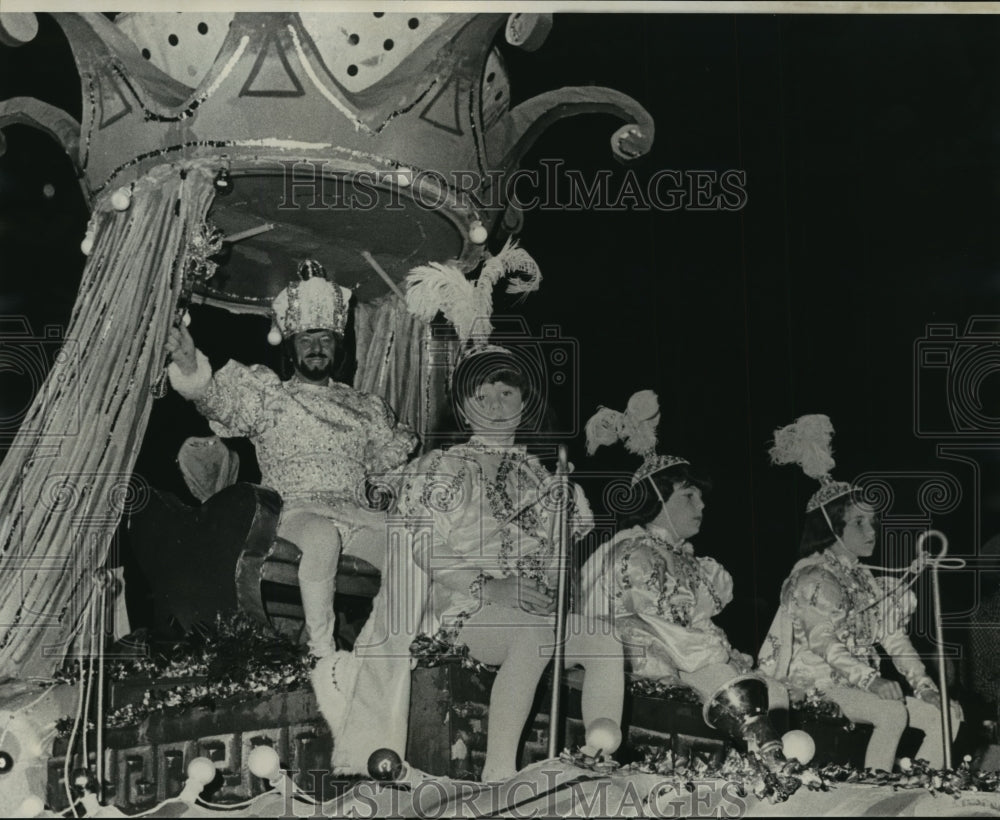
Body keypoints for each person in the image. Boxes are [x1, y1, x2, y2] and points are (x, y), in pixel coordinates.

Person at [388, 346, 624, 782]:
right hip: (465, 610)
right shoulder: (441, 466)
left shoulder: (545, 476)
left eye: (505, 392)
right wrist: (490, 588)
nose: (495, 405)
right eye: (481, 395)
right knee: (533, 634)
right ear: (462, 407)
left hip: (533, 615)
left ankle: (597, 756)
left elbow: (556, 560)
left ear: (524, 403)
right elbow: (424, 546)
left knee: (603, 638)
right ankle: (499, 772)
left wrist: (552, 587)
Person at [164, 260, 416, 660]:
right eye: (306, 339)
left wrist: (386, 491)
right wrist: (189, 363)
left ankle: (389, 657)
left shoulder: (367, 406)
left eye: (325, 339)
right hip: (296, 513)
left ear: (338, 344)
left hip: (357, 513)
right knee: (321, 537)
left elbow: (392, 469)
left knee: (411, 544)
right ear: (292, 345)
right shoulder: (270, 394)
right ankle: (323, 656)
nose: (316, 347)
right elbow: (217, 398)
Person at [580, 390, 790, 767]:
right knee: (724, 681)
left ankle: (777, 769)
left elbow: (694, 622)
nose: (702, 505)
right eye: (690, 496)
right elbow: (652, 625)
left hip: (688, 657)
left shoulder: (693, 562)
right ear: (660, 499)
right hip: (644, 655)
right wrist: (715, 655)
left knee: (767, 692)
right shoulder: (635, 552)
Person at [759, 413, 961, 771]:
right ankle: (875, 792)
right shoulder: (813, 577)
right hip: (818, 685)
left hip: (861, 688)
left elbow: (895, 640)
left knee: (946, 714)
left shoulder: (869, 580)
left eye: (873, 522)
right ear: (832, 526)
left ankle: (919, 794)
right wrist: (871, 679)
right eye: (859, 522)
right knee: (890, 711)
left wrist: (925, 686)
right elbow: (823, 641)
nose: (871, 531)